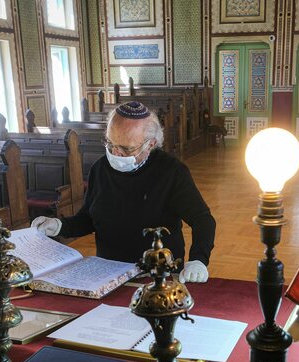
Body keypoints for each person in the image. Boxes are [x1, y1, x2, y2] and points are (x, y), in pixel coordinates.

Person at [32, 101, 216, 283]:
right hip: (108, 274)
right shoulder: (100, 169)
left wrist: (198, 260)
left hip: (159, 276)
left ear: (150, 144)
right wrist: (58, 226)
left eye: (126, 149)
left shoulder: (172, 172)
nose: (116, 153)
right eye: (111, 144)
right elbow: (90, 218)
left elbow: (202, 219)